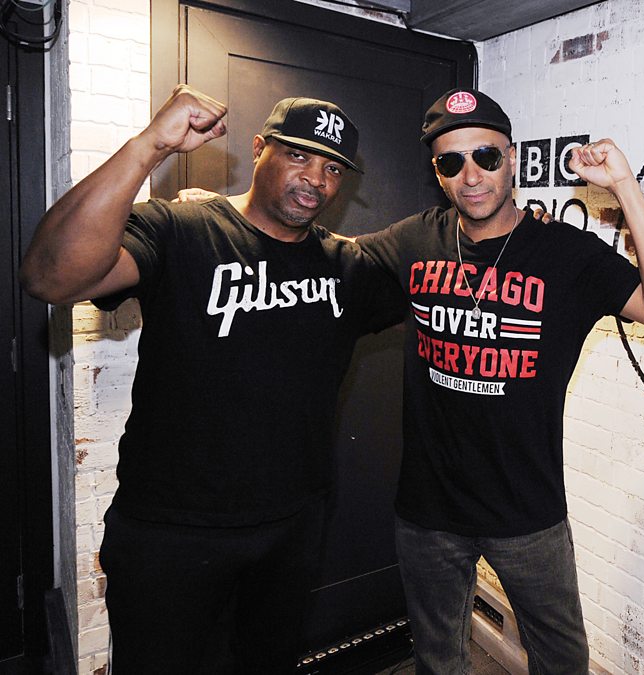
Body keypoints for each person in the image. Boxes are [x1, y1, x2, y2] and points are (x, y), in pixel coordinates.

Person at [19, 85, 402, 673]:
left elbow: (449, 266)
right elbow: (50, 276)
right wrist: (150, 144)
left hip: (291, 529)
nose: (315, 179)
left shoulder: (346, 266)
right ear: (259, 148)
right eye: (298, 155)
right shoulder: (180, 228)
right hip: (170, 533)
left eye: (332, 169)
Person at [356, 88, 644, 674]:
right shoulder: (414, 240)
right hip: (428, 513)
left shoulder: (564, 253)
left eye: (486, 156)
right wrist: (226, 210)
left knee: (561, 661)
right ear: (437, 173)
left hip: (528, 515)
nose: (471, 176)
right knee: (438, 661)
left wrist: (624, 186)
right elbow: (314, 252)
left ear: (512, 158)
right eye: (451, 162)